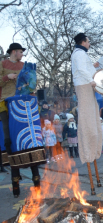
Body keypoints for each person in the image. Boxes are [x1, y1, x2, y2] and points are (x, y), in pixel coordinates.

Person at [0, 42, 41, 197]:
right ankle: (15, 183)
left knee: (31, 139)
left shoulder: (26, 65)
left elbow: (32, 84)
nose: (22, 54)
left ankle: (37, 180)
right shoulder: (2, 64)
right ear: (14, 52)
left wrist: (30, 84)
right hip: (6, 103)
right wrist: (7, 77)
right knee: (9, 141)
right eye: (20, 52)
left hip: (25, 103)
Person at [71, 33, 102, 164]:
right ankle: (87, 151)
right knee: (86, 117)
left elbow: (86, 68)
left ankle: (93, 148)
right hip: (84, 86)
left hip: (87, 86)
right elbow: (82, 70)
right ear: (83, 42)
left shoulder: (82, 54)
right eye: (88, 41)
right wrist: (91, 80)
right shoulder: (78, 53)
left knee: (92, 116)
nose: (89, 44)